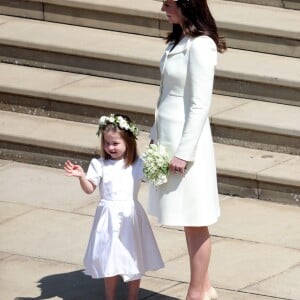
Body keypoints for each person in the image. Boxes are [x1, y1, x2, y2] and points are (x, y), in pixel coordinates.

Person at [149, 1, 227, 300]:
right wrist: (157, 138)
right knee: (187, 219)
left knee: (196, 220)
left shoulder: (201, 46)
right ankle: (205, 288)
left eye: (168, 4)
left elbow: (199, 104)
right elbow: (165, 95)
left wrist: (184, 152)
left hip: (187, 145)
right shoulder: (177, 40)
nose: (162, 9)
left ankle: (196, 292)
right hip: (168, 140)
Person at [64, 114, 164, 300]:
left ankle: (132, 297)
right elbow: (89, 189)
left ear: (128, 142)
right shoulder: (99, 164)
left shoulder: (137, 164)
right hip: (108, 217)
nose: (110, 147)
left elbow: (155, 178)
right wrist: (81, 177)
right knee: (109, 258)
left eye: (115, 143)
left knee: (134, 256)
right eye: (107, 143)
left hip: (130, 216)